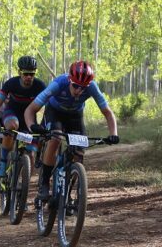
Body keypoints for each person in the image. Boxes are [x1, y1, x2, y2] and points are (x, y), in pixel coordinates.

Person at [23, 60, 119, 201]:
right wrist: (32, 126)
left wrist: (113, 134)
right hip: (55, 112)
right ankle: (44, 183)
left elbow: (108, 113)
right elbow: (30, 110)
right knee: (55, 139)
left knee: (79, 153)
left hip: (75, 115)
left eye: (83, 87)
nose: (79, 91)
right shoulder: (59, 83)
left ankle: (66, 193)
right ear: (70, 80)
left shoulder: (92, 87)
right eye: (75, 86)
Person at [0, 56, 47, 175]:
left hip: (29, 119)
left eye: (32, 74)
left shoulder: (40, 85)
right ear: (19, 72)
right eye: (26, 74)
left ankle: (23, 182)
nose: (29, 77)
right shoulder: (11, 83)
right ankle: (3, 161)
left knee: (31, 156)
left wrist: (45, 125)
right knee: (12, 126)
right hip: (11, 113)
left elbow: (49, 107)